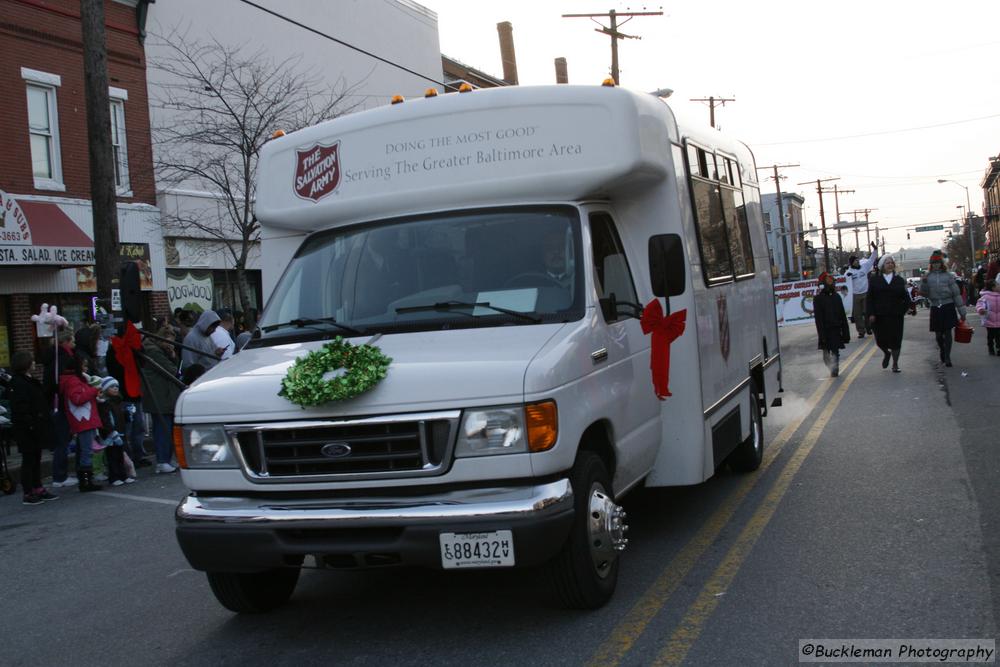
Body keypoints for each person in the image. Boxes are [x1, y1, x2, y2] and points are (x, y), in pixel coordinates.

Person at [7, 351, 59, 505]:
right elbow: (20, 407)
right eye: (32, 361)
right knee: (29, 460)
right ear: (25, 364)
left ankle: (38, 487)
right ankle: (28, 492)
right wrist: (30, 423)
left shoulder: (30, 381)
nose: (34, 363)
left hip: (36, 426)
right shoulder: (17, 383)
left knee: (36, 458)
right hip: (27, 428)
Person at [141, 324, 182, 473]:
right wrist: (172, 357)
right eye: (168, 342)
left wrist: (172, 356)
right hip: (160, 395)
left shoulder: (160, 351)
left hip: (165, 394)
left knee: (168, 427)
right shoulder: (153, 352)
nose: (170, 345)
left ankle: (166, 459)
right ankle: (162, 460)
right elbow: (171, 370)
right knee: (162, 428)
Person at [58, 356, 104, 492]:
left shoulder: (75, 380)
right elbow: (77, 399)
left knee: (85, 450)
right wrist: (93, 390)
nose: (86, 369)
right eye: (83, 366)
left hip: (84, 417)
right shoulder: (73, 381)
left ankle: (85, 479)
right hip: (83, 418)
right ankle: (85, 481)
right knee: (86, 451)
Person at [41, 329, 78, 487]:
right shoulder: (62, 359)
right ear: (65, 342)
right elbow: (59, 382)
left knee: (62, 440)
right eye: (72, 340)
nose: (73, 343)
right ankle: (59, 476)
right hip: (60, 403)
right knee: (62, 440)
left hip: (56, 402)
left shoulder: (54, 358)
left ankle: (60, 474)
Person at [920, 250, 967, 368]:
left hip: (948, 305)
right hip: (936, 307)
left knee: (947, 332)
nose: (936, 265)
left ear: (941, 263)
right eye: (934, 263)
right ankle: (942, 349)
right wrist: (924, 282)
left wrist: (962, 311)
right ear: (931, 264)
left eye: (938, 263)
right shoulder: (927, 276)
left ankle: (947, 356)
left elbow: (956, 294)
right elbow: (924, 293)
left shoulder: (948, 276)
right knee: (938, 335)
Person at [867, 255, 910, 372]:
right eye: (887, 263)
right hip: (879, 316)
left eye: (892, 263)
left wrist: (902, 310)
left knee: (896, 341)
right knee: (880, 340)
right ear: (882, 266)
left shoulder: (899, 280)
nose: (890, 264)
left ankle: (895, 364)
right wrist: (871, 313)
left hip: (896, 316)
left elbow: (906, 298)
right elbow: (870, 298)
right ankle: (886, 352)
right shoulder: (874, 280)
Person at [96, 377, 134, 486]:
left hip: (120, 432)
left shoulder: (118, 401)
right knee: (112, 456)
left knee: (120, 455)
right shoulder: (104, 403)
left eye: (116, 386)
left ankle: (123, 475)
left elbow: (121, 416)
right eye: (112, 387)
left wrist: (128, 414)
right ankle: (114, 477)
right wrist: (110, 432)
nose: (115, 389)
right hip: (110, 434)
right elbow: (105, 419)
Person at [813, 272, 850, 377]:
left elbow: (842, 315)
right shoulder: (818, 299)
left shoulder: (837, 297)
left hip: (835, 328)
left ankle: (835, 368)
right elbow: (818, 319)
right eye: (828, 280)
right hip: (825, 329)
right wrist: (821, 334)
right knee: (826, 356)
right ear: (823, 282)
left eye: (832, 280)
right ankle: (831, 366)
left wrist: (845, 332)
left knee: (835, 351)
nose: (831, 281)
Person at [844, 242, 879, 338]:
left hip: (866, 293)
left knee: (867, 312)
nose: (857, 262)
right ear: (851, 263)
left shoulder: (864, 267)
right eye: (855, 261)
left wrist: (875, 250)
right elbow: (843, 284)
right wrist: (847, 277)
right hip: (855, 295)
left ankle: (869, 328)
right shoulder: (848, 272)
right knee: (857, 315)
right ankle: (861, 331)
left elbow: (872, 259)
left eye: (857, 260)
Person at [975, 278, 1000, 356]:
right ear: (993, 287)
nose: (999, 286)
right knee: (991, 336)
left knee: (999, 336)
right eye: (997, 285)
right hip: (990, 320)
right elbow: (979, 304)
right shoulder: (985, 297)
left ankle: (999, 349)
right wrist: (981, 309)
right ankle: (990, 348)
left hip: (999, 320)